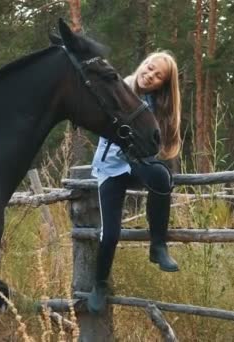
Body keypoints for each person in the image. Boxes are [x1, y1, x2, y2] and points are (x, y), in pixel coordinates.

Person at [88, 51, 182, 314]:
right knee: (111, 233)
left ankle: (158, 246)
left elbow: (159, 141)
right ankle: (100, 283)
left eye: (157, 76)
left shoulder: (157, 103)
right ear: (143, 65)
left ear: (163, 84)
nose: (149, 76)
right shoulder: (121, 90)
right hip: (110, 167)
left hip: (136, 163)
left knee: (161, 177)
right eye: (150, 68)